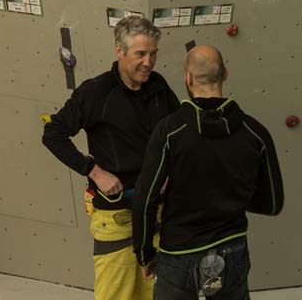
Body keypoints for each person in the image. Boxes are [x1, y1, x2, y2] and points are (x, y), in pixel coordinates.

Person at [43, 16, 181, 300]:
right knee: (117, 294)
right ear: (119, 50)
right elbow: (53, 134)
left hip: (157, 211)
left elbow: (179, 134)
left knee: (155, 293)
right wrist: (93, 170)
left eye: (153, 53)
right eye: (140, 54)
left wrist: (172, 171)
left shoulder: (159, 87)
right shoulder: (95, 92)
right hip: (118, 215)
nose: (148, 62)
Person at [133, 45, 284, 299]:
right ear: (226, 73)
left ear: (188, 78)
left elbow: (144, 200)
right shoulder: (255, 132)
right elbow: (272, 204)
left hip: (179, 254)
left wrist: (145, 254)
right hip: (232, 250)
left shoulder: (169, 131)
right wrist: (232, 198)